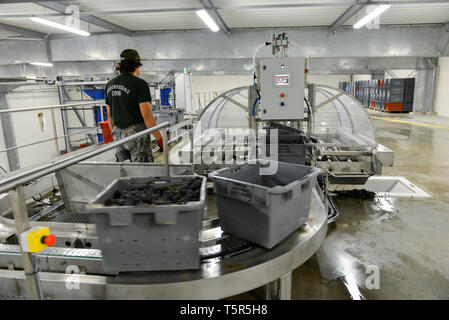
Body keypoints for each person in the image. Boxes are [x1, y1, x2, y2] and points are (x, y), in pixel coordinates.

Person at [105, 49, 163, 163]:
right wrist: (159, 138)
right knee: (142, 173)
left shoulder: (110, 84)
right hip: (136, 135)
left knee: (125, 172)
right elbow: (147, 116)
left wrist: (115, 135)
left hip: (117, 134)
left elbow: (109, 115)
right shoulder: (140, 84)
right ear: (137, 65)